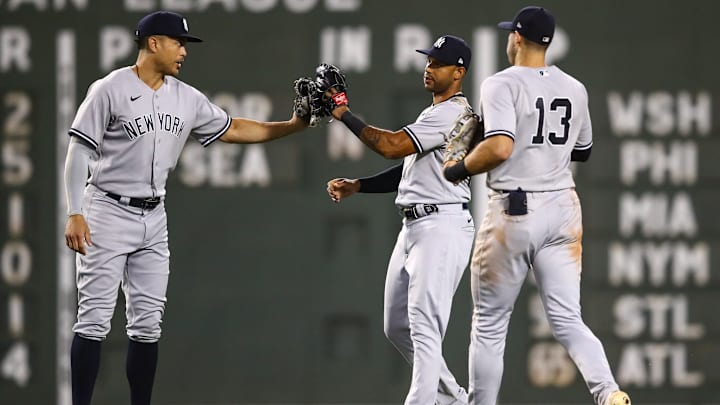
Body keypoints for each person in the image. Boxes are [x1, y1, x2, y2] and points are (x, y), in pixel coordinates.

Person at [63, 11, 308, 405]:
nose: (184, 52)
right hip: (106, 210)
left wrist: (293, 125)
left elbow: (234, 129)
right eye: (179, 43)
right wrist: (75, 211)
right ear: (154, 42)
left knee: (146, 325)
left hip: (153, 215)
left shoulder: (187, 98)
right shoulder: (109, 88)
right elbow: (79, 150)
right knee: (93, 320)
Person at [442, 6, 630, 405]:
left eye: (511, 34)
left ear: (517, 38)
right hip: (563, 210)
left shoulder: (500, 84)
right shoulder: (575, 88)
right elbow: (583, 150)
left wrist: (459, 167)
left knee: (490, 325)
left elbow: (498, 147)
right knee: (567, 319)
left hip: (514, 210)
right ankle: (608, 392)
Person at [325, 35, 475, 405]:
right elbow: (411, 171)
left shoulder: (452, 114)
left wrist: (343, 112)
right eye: (428, 61)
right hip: (416, 226)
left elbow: (390, 145)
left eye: (438, 63)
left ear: (459, 72)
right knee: (397, 327)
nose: (429, 67)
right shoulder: (436, 114)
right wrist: (360, 185)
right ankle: (455, 398)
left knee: (424, 326)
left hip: (441, 226)